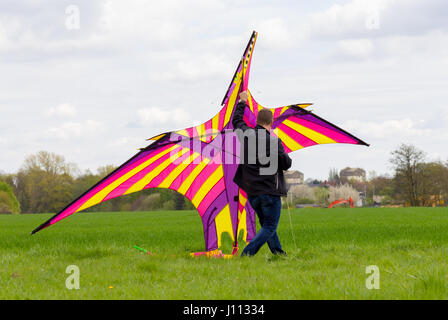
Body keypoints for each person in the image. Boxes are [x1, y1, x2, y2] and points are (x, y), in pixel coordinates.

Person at [232, 90, 292, 257]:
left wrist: (242, 102)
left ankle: (279, 254)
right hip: (269, 193)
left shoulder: (246, 134)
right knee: (270, 226)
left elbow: (236, 121)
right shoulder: (273, 141)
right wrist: (282, 151)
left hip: (252, 193)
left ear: (257, 121)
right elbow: (286, 163)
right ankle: (247, 255)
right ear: (270, 122)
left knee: (266, 225)